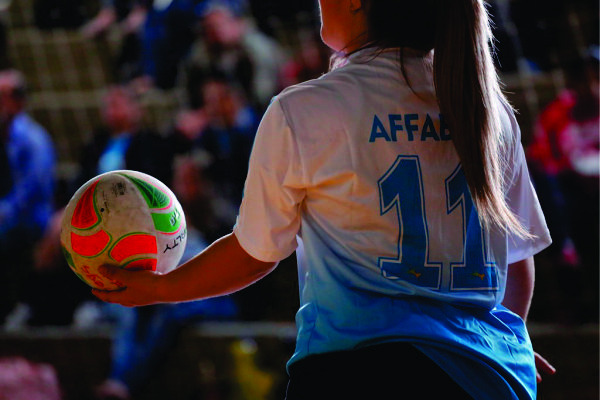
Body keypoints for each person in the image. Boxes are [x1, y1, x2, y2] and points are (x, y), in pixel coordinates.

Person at [93, 1, 557, 398]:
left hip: (361, 374)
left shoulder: (305, 109)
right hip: (495, 375)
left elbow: (254, 255)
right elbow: (517, 262)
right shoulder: (487, 108)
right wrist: (491, 342)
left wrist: (159, 288)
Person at [0, 69, 56, 324]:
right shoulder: (7, 135)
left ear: (17, 100)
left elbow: (28, 194)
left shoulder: (32, 139)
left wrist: (3, 212)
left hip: (32, 220)